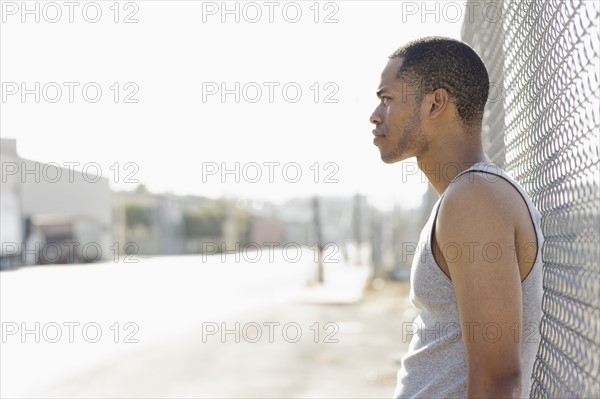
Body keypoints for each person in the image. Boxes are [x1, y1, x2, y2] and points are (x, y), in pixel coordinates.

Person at [370, 36, 543, 398]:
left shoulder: (474, 196)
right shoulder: (464, 194)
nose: (375, 115)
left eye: (387, 99)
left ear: (436, 103)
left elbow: (499, 381)